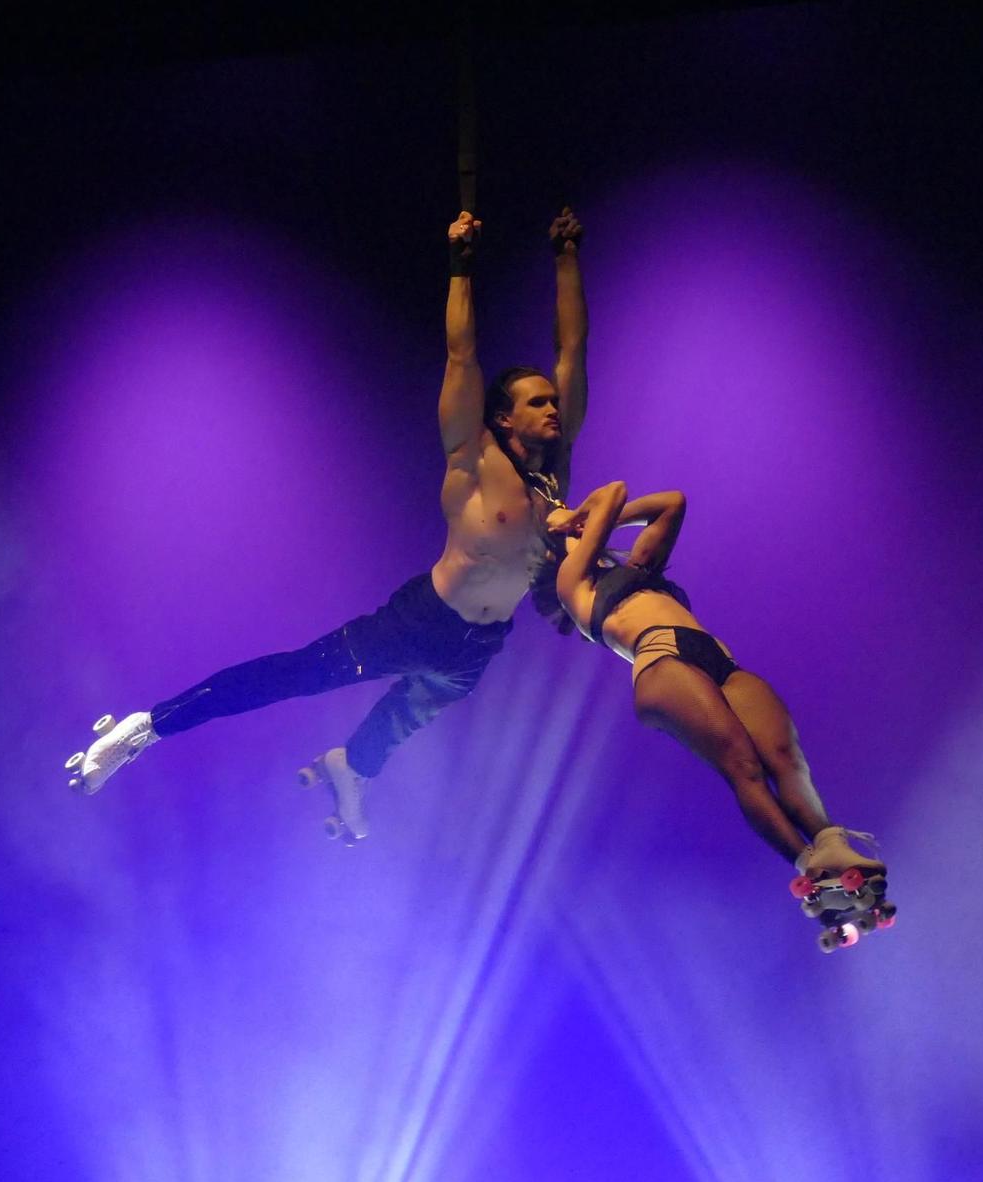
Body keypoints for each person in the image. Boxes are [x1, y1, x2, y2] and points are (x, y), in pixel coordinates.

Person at [65, 207, 591, 842]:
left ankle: (350, 769)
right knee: (295, 675)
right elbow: (461, 353)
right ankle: (144, 728)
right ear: (504, 418)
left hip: (477, 650)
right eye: (538, 402)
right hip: (421, 620)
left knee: (404, 718)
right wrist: (461, 263)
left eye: (554, 402)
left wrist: (565, 257)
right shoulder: (474, 455)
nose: (553, 409)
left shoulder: (551, 479)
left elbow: (572, 351)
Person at [536, 480, 886, 884]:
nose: (580, 532)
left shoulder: (637, 570)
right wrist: (584, 519)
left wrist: (578, 518)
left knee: (786, 757)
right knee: (742, 764)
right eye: (567, 534)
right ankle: (808, 865)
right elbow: (613, 494)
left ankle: (830, 843)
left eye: (582, 527)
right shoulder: (573, 586)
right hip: (662, 659)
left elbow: (671, 504)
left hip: (718, 659)